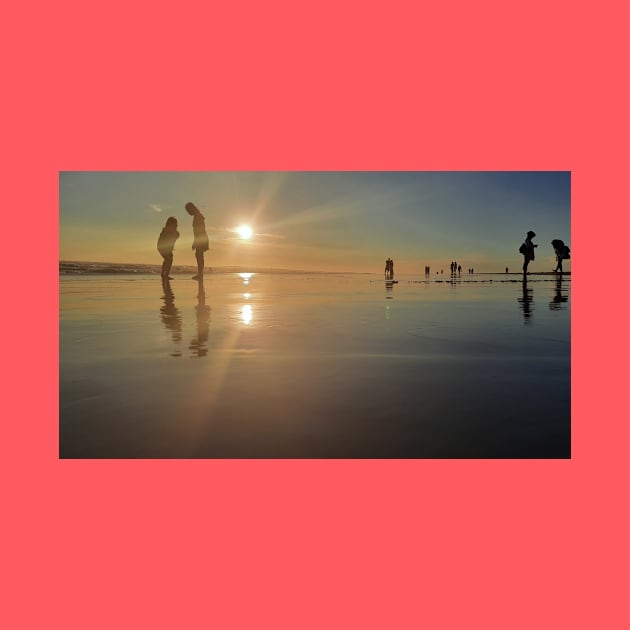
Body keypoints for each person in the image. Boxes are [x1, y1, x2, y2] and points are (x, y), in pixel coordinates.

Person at [185, 202, 209, 280]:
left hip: (201, 238)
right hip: (202, 238)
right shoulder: (198, 216)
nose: (188, 213)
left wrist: (195, 242)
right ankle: (200, 274)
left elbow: (199, 231)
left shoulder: (198, 217)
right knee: (199, 255)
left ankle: (200, 274)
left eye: (188, 211)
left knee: (199, 256)